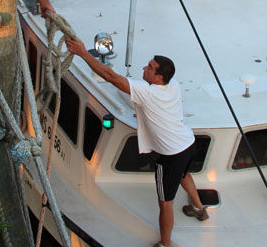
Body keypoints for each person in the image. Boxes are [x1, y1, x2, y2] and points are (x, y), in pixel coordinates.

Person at [65, 38, 208, 247]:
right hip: (188, 143)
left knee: (165, 203)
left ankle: (165, 244)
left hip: (170, 156)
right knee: (184, 174)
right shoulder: (172, 85)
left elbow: (111, 76)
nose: (144, 67)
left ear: (159, 78)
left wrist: (83, 53)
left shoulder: (146, 91)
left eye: (149, 67)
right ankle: (198, 208)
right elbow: (156, 109)